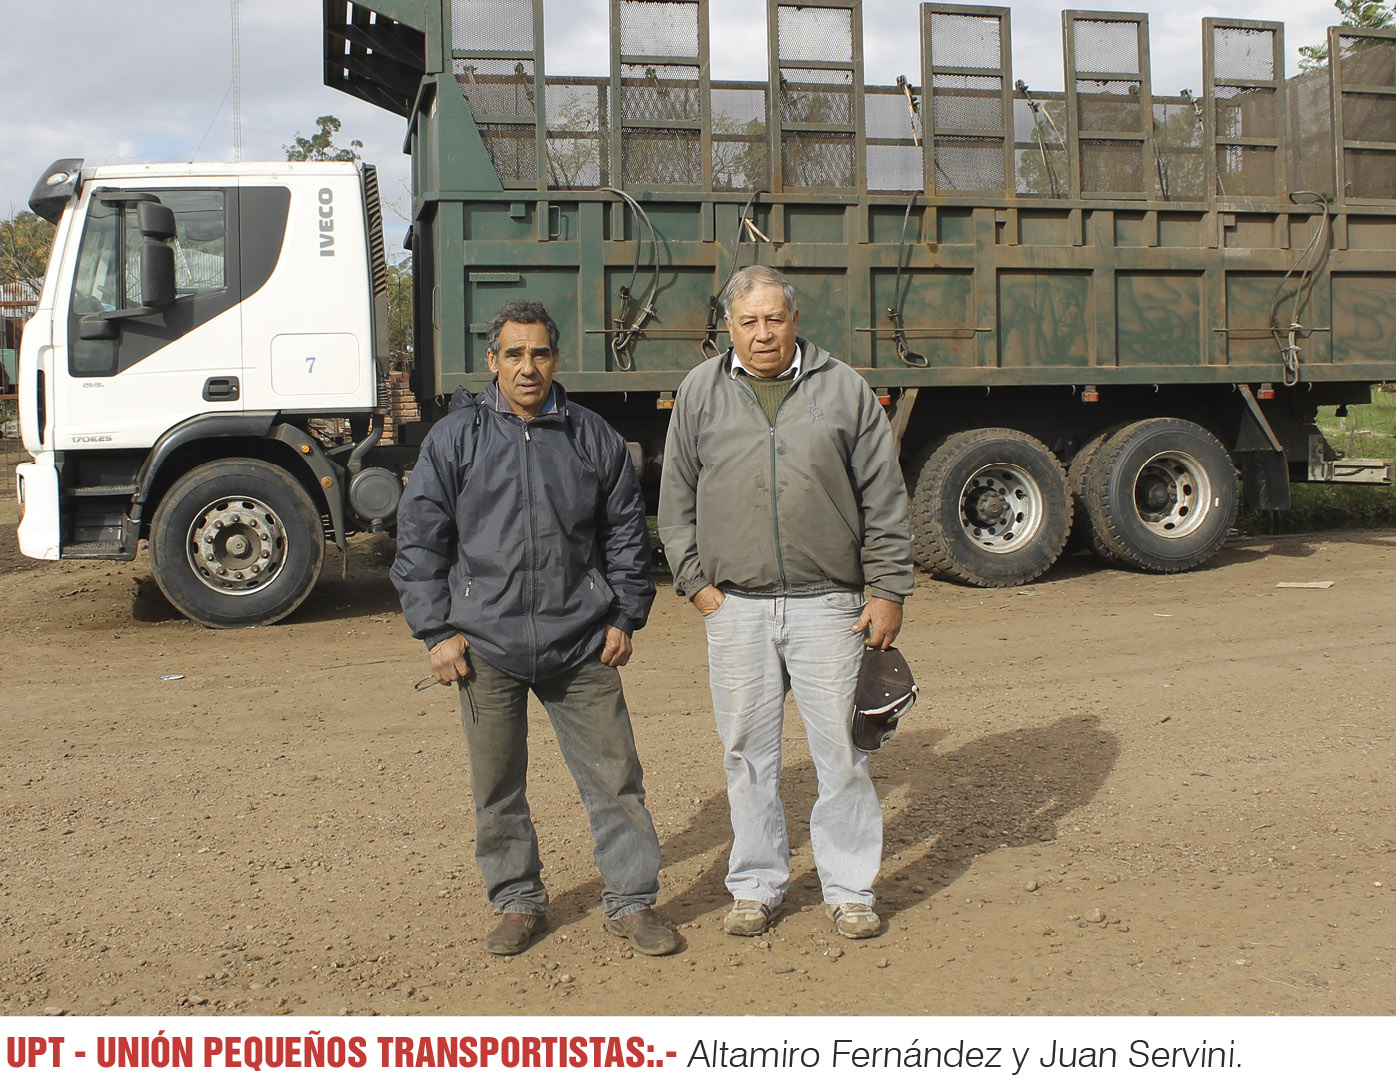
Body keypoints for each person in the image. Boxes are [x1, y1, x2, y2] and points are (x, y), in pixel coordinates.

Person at [392, 299, 678, 957]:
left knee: (616, 780)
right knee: (496, 787)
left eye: (540, 352)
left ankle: (631, 903)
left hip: (580, 641)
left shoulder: (591, 436)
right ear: (492, 360)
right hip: (483, 644)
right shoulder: (455, 438)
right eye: (514, 353)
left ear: (556, 358)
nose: (528, 366)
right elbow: (420, 540)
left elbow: (627, 532)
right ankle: (518, 901)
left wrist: (624, 614)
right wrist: (435, 631)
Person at [658, 265, 914, 940]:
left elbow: (884, 497)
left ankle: (850, 888)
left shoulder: (843, 388)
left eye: (775, 318)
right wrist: (697, 584)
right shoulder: (701, 391)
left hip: (829, 604)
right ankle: (756, 884)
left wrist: (887, 589)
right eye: (749, 321)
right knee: (747, 755)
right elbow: (675, 497)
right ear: (729, 327)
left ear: (795, 320)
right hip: (735, 606)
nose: (763, 333)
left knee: (843, 755)